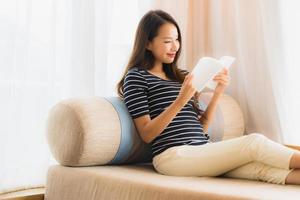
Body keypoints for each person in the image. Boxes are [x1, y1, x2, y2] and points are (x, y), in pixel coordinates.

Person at [116, 9, 300, 185]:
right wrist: (181, 100)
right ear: (147, 43)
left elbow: (201, 126)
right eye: (167, 41)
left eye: (177, 40)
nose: (175, 46)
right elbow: (147, 134)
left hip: (202, 148)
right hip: (172, 156)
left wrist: (218, 92)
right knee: (255, 143)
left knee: (262, 170)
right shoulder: (137, 77)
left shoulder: (181, 76)